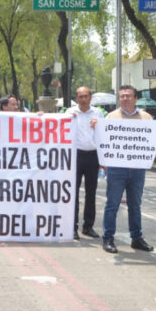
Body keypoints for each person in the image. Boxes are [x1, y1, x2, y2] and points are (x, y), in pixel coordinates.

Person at [100, 85, 154, 254]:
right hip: (117, 168)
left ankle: (136, 238)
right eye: (122, 96)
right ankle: (108, 238)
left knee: (135, 205)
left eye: (128, 96)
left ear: (135, 98)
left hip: (138, 169)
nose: (125, 99)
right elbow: (103, 138)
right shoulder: (110, 116)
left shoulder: (146, 118)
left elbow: (153, 139)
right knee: (112, 204)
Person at [67, 86, 104, 240]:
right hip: (75, 155)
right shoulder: (69, 112)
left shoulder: (98, 113)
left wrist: (100, 125)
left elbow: (104, 135)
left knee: (91, 193)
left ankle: (88, 227)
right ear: (76, 98)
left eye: (86, 96)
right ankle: (72, 227)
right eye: (80, 96)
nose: (83, 99)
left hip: (93, 156)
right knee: (72, 193)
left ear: (90, 98)